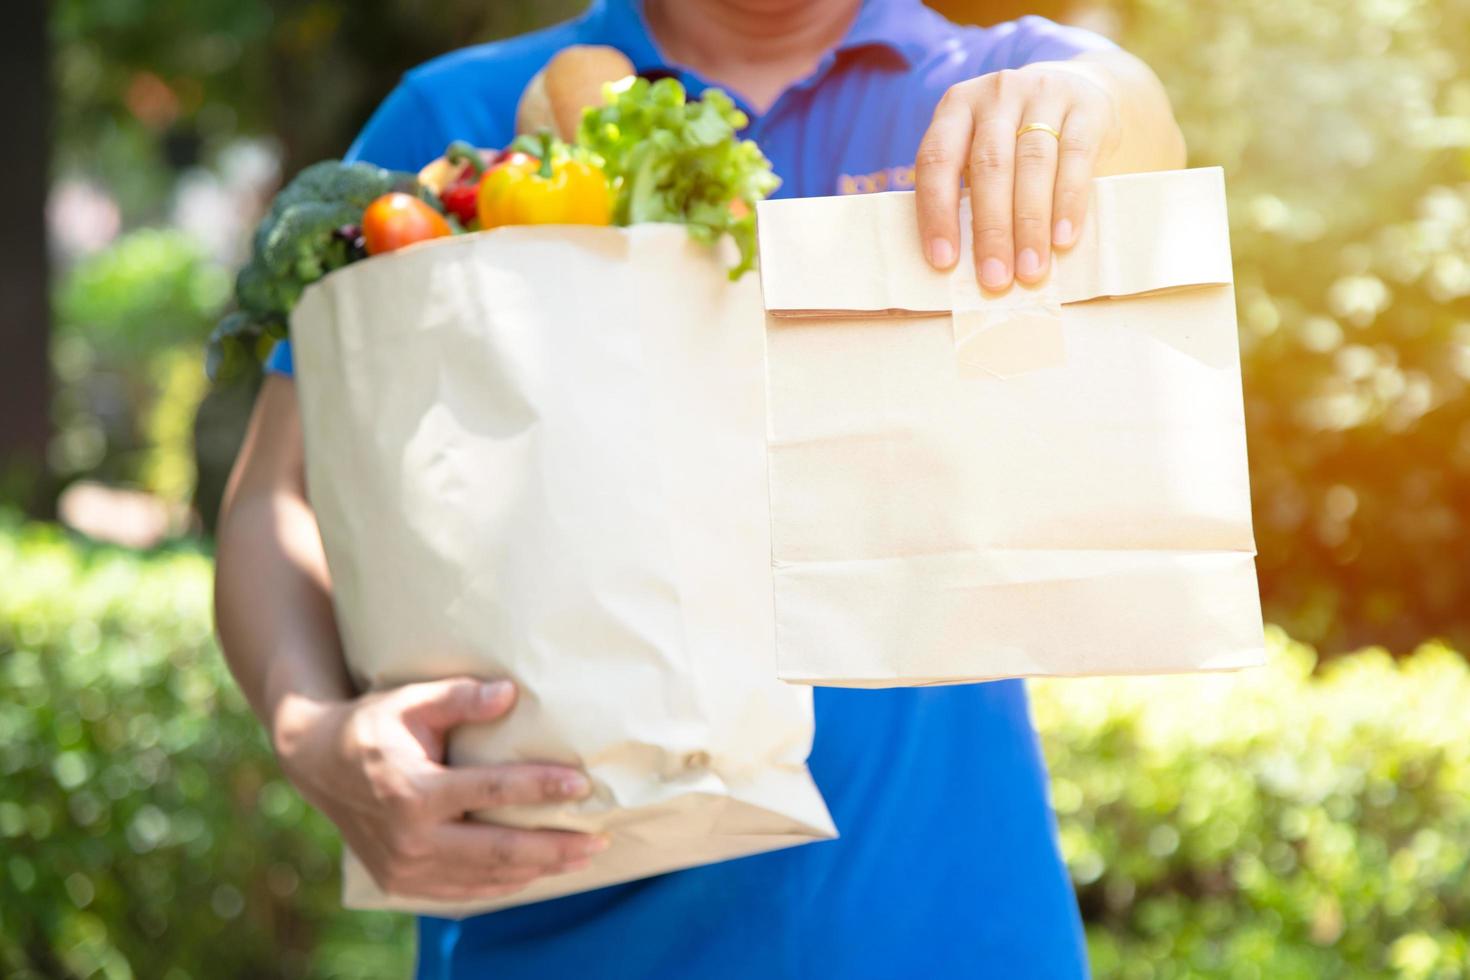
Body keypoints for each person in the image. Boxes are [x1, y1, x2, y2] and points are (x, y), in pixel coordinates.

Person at [214, 0, 1185, 975]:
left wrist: (1086, 101)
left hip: (948, 928)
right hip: (558, 934)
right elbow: (278, 492)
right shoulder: (456, 114)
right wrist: (313, 730)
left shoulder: (978, 83)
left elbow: (1136, 118)